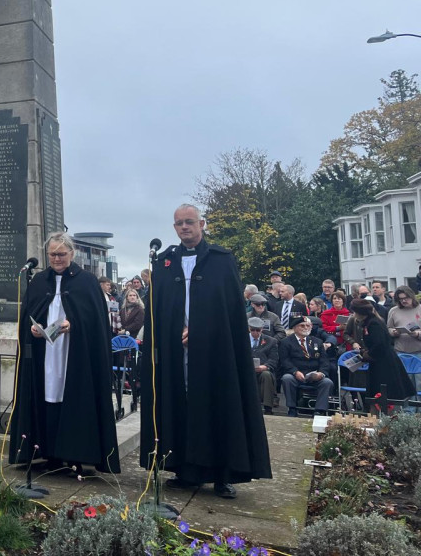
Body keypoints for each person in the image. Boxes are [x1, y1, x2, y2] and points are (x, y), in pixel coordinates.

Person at [140, 204, 271, 499]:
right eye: (179, 224)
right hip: (177, 352)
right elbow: (158, 311)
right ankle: (185, 470)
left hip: (214, 352)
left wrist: (201, 333)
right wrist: (175, 333)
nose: (184, 227)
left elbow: (229, 313)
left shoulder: (221, 261)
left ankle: (222, 474)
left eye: (189, 222)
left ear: (201, 224)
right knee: (181, 405)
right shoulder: (164, 263)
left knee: (217, 404)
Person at [9, 231, 120, 475]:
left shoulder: (87, 282)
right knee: (47, 395)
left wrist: (74, 324)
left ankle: (76, 454)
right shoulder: (39, 281)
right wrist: (33, 328)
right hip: (45, 352)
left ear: (72, 253)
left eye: (61, 254)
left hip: (75, 352)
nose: (57, 259)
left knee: (72, 397)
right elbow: (31, 311)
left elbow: (96, 320)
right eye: (52, 254)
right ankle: (48, 452)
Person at [351, 297, 415, 408]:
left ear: (360, 312)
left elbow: (380, 344)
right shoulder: (369, 323)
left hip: (384, 364)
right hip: (379, 362)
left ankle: (388, 415)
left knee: (386, 393)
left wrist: (368, 354)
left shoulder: (373, 324)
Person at [279, 317, 332, 416]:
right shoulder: (286, 342)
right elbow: (285, 361)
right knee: (287, 378)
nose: (305, 328)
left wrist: (321, 373)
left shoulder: (317, 342)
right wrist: (295, 372)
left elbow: (324, 361)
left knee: (327, 382)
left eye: (308, 326)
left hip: (314, 375)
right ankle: (292, 408)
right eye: (302, 325)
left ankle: (319, 410)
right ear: (295, 328)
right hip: (296, 375)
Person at [248, 317, 279, 415]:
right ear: (249, 328)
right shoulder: (241, 339)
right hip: (245, 370)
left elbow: (273, 359)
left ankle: (268, 407)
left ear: (262, 329)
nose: (255, 332)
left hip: (262, 370)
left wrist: (264, 366)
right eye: (252, 330)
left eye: (258, 330)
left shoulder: (271, 341)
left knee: (266, 375)